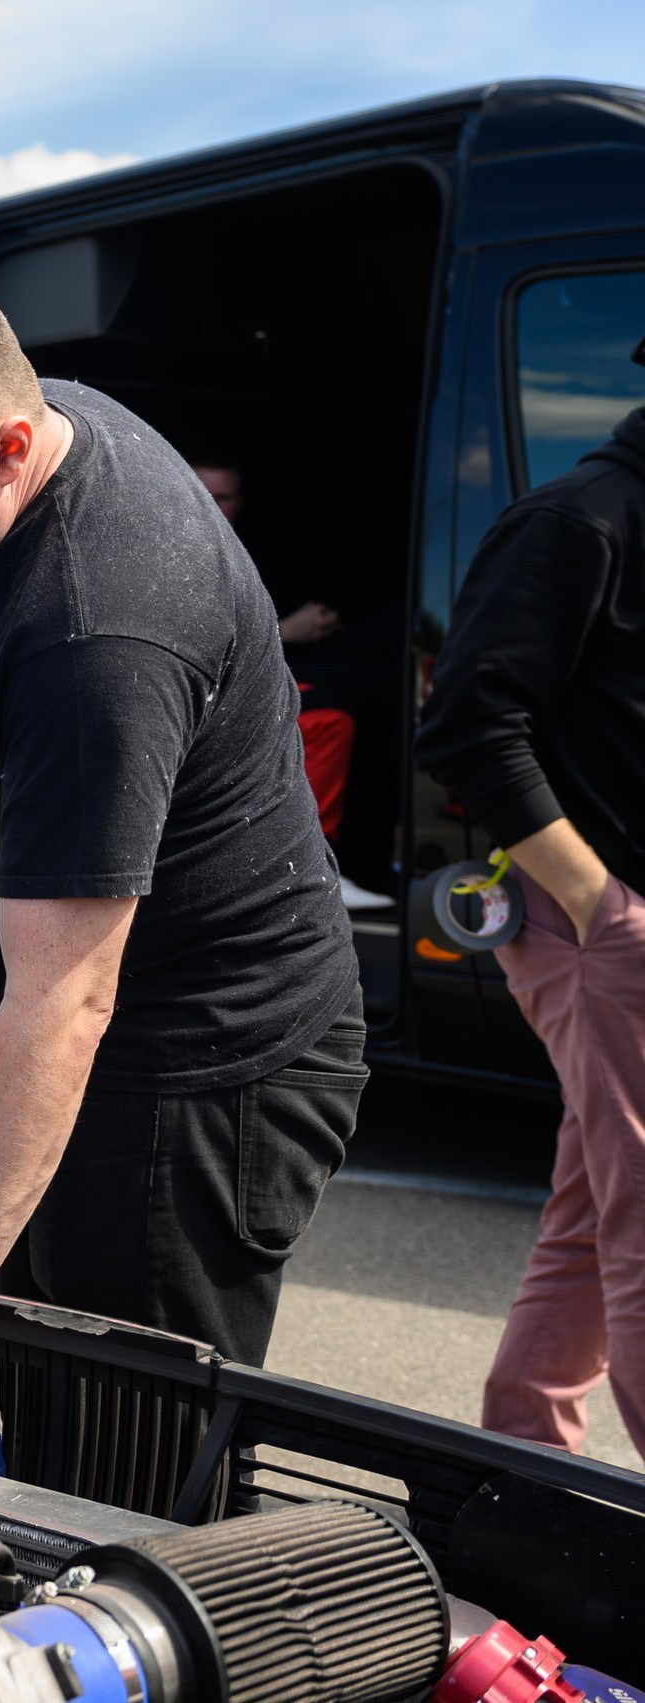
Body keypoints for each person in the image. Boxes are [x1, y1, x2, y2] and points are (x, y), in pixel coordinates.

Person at [0, 263, 366, 1416]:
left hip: (186, 1073)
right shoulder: (25, 443)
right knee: (41, 1385)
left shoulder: (98, 630)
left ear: (6, 446)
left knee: (119, 1454)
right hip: (89, 1027)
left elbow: (68, 998)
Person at [417, 401, 645, 1455]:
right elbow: (466, 719)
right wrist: (602, 904)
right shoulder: (578, 519)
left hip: (615, 920)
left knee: (598, 1211)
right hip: (603, 920)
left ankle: (525, 1466)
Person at [191, 463, 391, 911]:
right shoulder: (166, 550)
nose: (212, 505)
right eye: (201, 491)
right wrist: (287, 630)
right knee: (328, 718)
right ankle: (309, 868)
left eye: (223, 498)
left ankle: (366, 862)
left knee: (385, 678)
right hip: (201, 697)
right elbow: (188, 651)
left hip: (270, 675)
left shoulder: (256, 550)